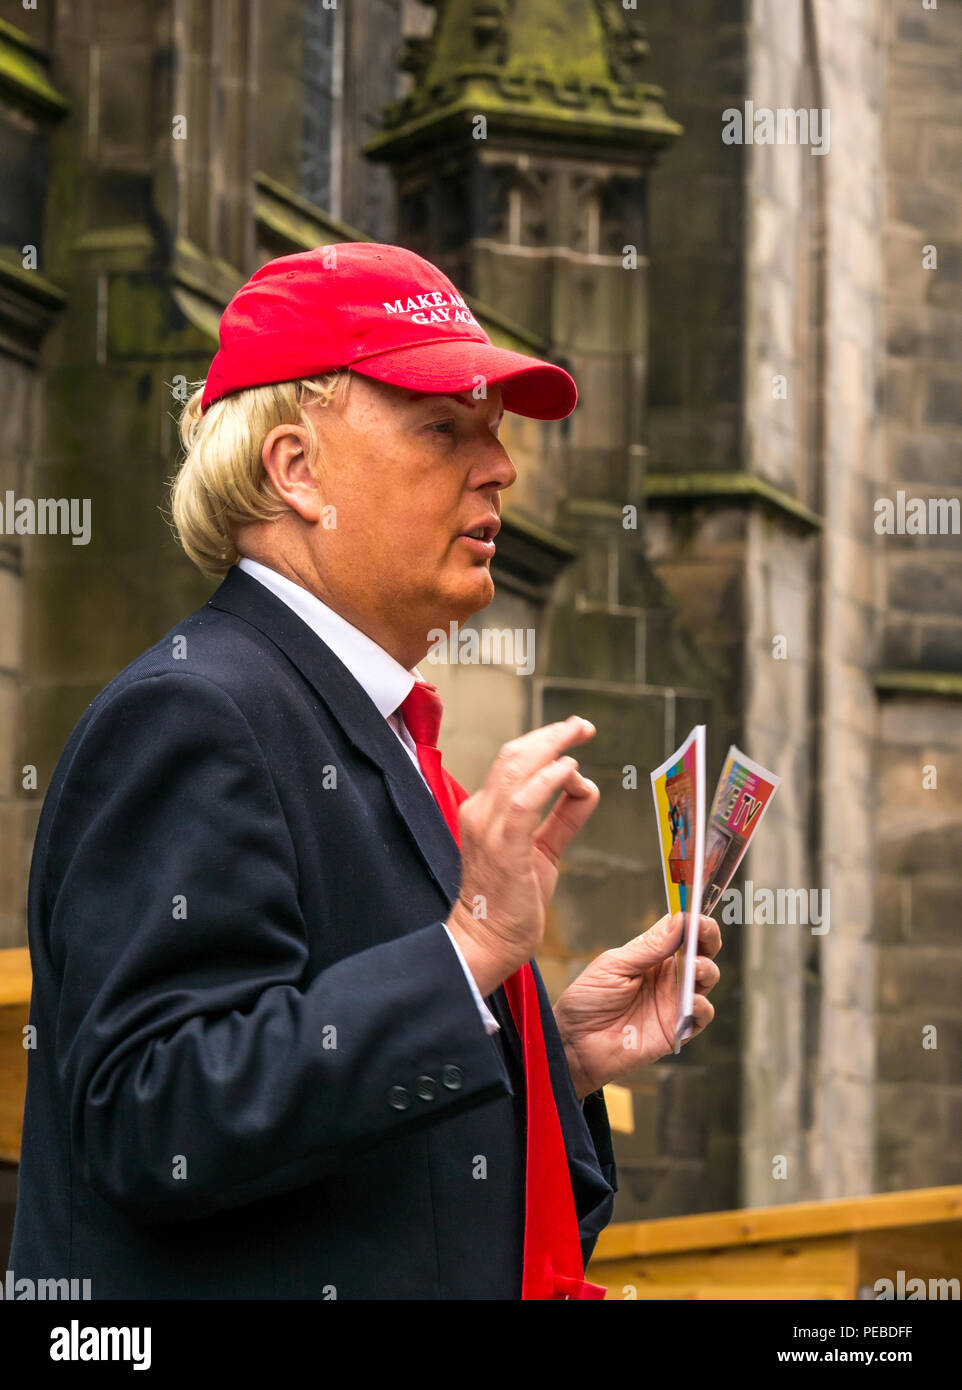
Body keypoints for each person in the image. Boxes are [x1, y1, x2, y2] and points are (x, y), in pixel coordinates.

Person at [9, 242, 721, 1300]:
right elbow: (150, 1119)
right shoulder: (194, 711)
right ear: (294, 470)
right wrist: (470, 946)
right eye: (443, 427)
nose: (500, 467)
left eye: (492, 430)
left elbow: (387, 1176)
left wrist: (549, 1057)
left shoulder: (356, 717)